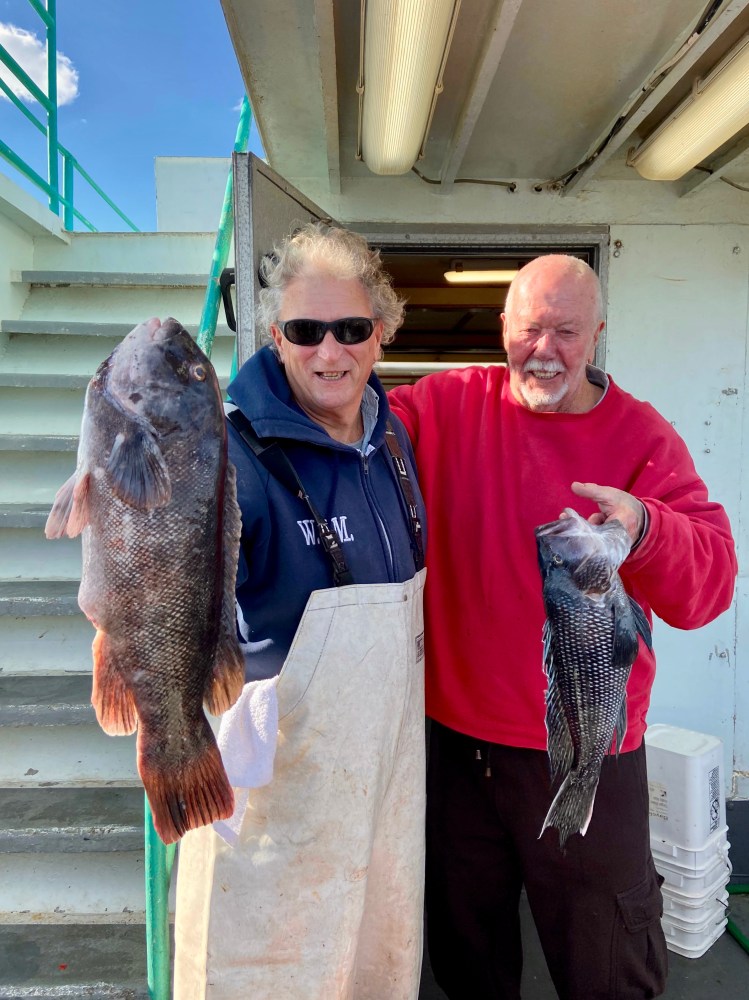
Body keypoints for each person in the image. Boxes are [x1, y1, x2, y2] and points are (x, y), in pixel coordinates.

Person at [388, 254, 737, 1000]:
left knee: (605, 960)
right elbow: (346, 425)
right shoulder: (445, 405)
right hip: (454, 747)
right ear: (502, 328)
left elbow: (706, 589)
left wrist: (645, 527)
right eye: (530, 329)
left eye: (567, 332)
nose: (544, 350)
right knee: (466, 947)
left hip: (591, 746)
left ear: (598, 335)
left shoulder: (643, 437)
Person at [173, 223, 427, 1000]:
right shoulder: (223, 457)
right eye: (305, 331)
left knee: (372, 962)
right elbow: (169, 595)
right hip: (276, 794)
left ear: (378, 336)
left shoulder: (392, 439)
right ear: (276, 338)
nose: (330, 351)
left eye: (350, 329)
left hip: (383, 783)